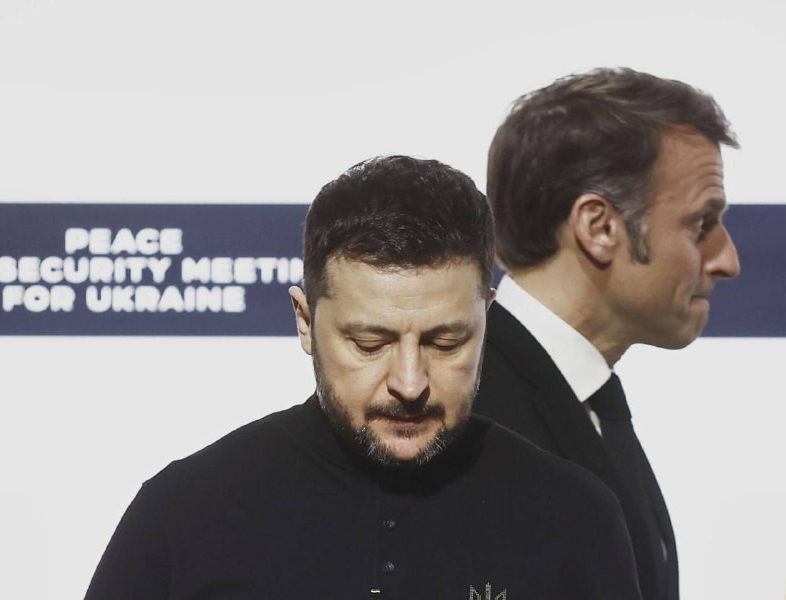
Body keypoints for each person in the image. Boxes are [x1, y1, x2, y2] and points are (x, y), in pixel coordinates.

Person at [85, 155, 641, 599]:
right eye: (370, 344)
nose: (410, 383)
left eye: (445, 342)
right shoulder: (183, 515)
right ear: (306, 322)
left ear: (486, 319)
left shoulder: (577, 519)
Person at [474, 68, 741, 600]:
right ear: (598, 227)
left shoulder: (584, 399)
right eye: (701, 224)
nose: (727, 260)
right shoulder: (464, 413)